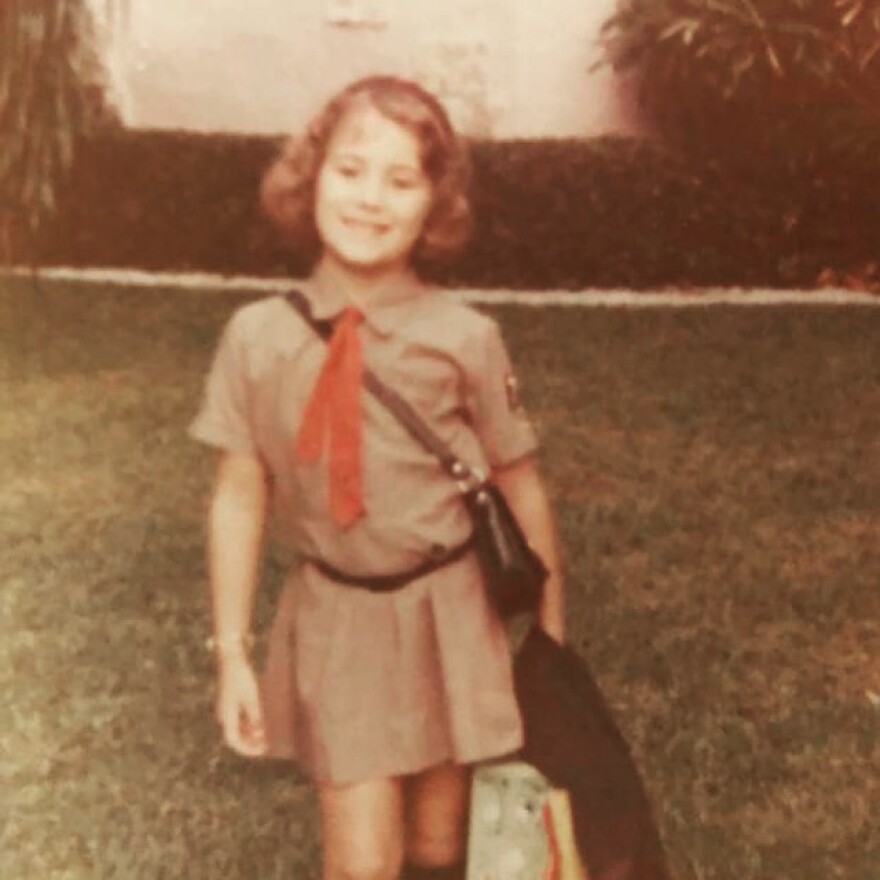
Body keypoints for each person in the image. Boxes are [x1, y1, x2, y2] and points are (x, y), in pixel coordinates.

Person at [190, 75, 565, 880]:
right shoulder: (256, 337)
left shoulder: (464, 337)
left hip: (451, 615)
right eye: (351, 170)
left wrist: (552, 647)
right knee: (362, 861)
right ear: (311, 177)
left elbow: (520, 486)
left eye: (402, 181)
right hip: (340, 619)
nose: (371, 199)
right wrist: (231, 655)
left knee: (438, 846)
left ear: (435, 205)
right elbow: (238, 494)